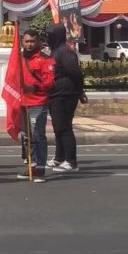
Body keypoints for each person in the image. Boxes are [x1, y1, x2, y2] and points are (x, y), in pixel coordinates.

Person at [16, 29, 54, 183]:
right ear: (22, 42)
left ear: (38, 42)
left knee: (37, 136)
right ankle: (31, 166)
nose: (29, 44)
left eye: (32, 41)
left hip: (38, 102)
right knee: (26, 137)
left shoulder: (45, 60)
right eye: (26, 41)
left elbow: (50, 82)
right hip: (22, 102)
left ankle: (40, 169)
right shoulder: (19, 59)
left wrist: (35, 87)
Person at [46, 23, 85, 172]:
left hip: (65, 95)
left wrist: (80, 92)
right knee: (58, 127)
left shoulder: (65, 52)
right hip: (55, 95)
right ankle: (59, 157)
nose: (48, 39)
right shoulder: (55, 51)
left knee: (65, 127)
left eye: (50, 36)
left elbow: (76, 73)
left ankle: (71, 161)